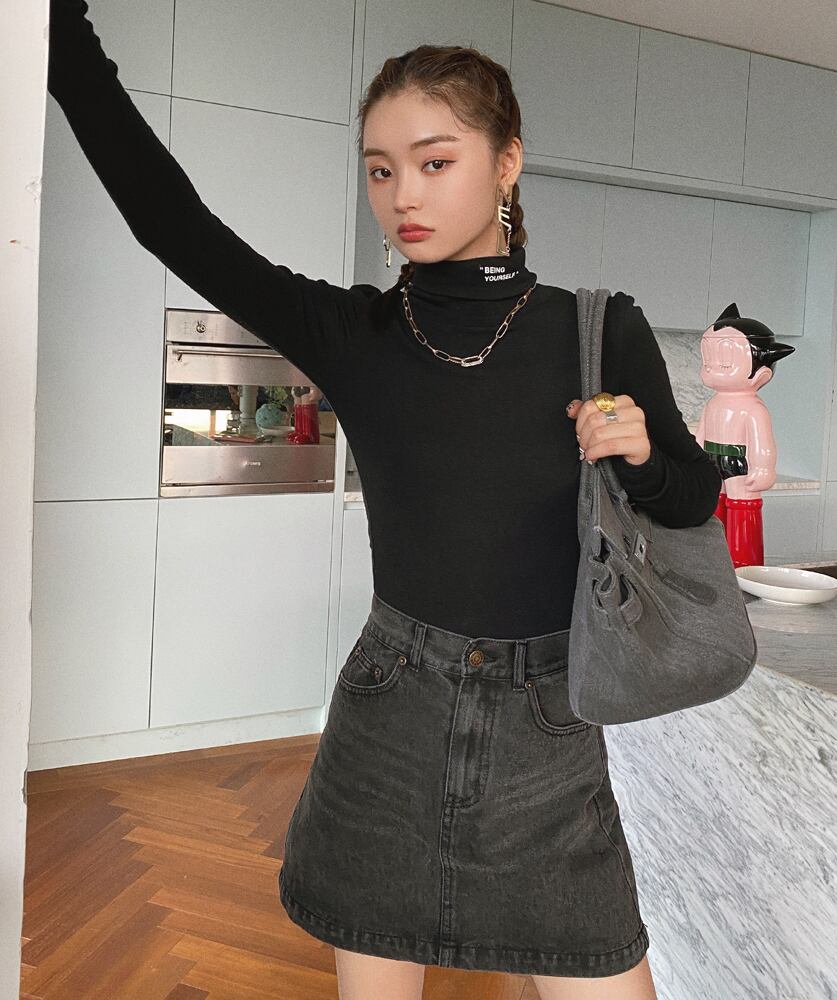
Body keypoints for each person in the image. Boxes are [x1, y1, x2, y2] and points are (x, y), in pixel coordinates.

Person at [46, 3, 721, 997]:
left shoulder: (597, 329)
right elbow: (170, 221)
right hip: (390, 715)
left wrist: (644, 454)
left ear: (506, 162)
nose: (402, 194)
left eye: (434, 161)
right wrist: (61, 37)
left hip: (549, 724)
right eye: (378, 169)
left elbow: (693, 499)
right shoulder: (354, 332)